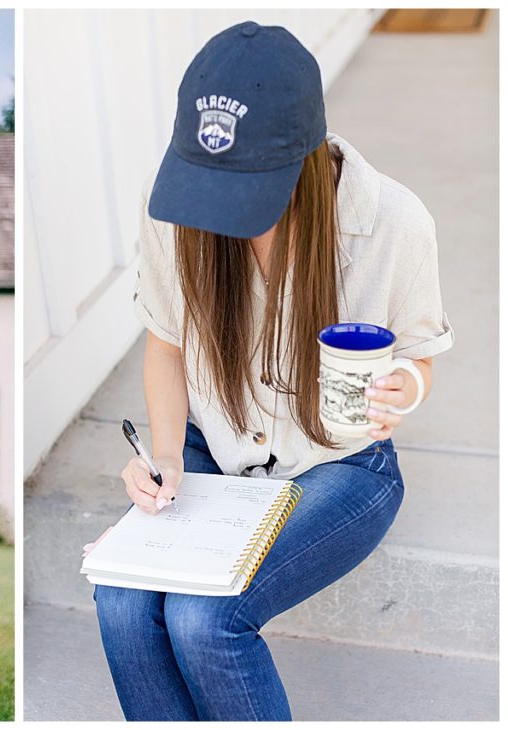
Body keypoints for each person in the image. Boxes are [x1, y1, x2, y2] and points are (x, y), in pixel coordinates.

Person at [87, 20, 454, 721]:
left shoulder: (396, 223)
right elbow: (166, 342)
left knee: (203, 618)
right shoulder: (172, 205)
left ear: (305, 162)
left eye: (247, 195)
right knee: (121, 600)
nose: (225, 219)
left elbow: (418, 355)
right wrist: (164, 455)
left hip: (340, 464)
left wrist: (402, 389)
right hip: (214, 446)